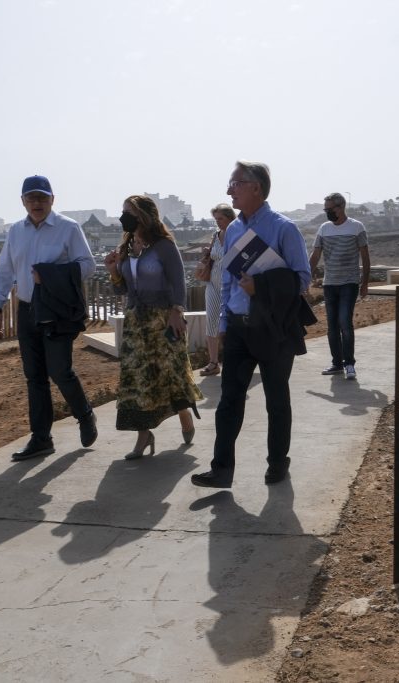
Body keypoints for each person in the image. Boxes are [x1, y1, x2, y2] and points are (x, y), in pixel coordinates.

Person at [191, 161, 312, 489]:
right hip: (239, 328)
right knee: (229, 400)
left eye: (235, 184)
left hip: (272, 328)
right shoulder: (232, 230)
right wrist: (224, 320)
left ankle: (277, 462)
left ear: (256, 187)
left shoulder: (284, 228)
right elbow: (229, 279)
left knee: (276, 400)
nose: (229, 190)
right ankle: (221, 470)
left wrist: (262, 286)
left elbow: (303, 279)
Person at [0, 175, 98, 461]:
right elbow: (4, 270)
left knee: (60, 371)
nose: (37, 203)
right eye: (31, 198)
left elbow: (88, 266)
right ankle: (41, 439)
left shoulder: (68, 228)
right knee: (34, 376)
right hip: (27, 309)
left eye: (42, 197)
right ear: (23, 201)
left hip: (57, 310)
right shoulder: (15, 231)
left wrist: (50, 275)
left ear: (52, 200)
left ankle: (84, 414)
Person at [103, 195, 203, 459]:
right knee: (137, 379)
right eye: (123, 211)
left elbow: (179, 282)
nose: (124, 217)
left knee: (171, 372)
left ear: (144, 216)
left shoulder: (164, 246)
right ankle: (144, 435)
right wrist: (113, 271)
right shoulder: (126, 247)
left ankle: (183, 413)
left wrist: (177, 311)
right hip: (136, 323)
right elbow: (122, 290)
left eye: (129, 212)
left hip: (163, 319)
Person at [308, 192, 370, 381]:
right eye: (325, 209)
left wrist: (365, 283)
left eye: (330, 209)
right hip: (330, 284)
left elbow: (365, 257)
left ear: (341, 207)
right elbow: (315, 255)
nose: (327, 212)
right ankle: (336, 363)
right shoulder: (324, 228)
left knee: (345, 322)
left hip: (349, 283)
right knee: (332, 326)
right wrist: (305, 277)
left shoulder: (356, 227)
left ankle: (349, 363)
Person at [198, 204, 234, 377]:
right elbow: (213, 257)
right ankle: (213, 362)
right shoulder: (215, 235)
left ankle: (235, 360)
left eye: (221, 218)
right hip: (213, 283)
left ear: (230, 218)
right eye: (216, 219)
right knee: (211, 321)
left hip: (232, 287)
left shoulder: (238, 234)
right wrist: (208, 252)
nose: (218, 222)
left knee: (232, 324)